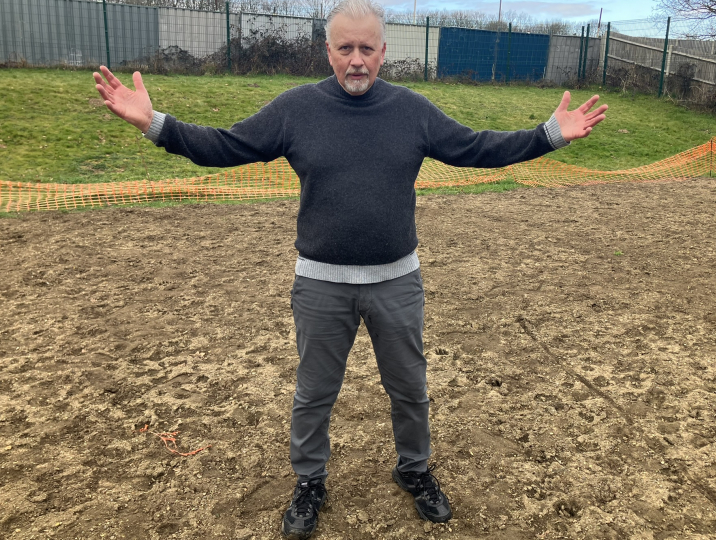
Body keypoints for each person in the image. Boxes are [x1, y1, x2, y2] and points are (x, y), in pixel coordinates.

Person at [94, 0, 607, 537]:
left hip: (396, 282)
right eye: (345, 48)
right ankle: (310, 480)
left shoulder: (412, 110)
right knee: (314, 393)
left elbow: (477, 147)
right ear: (328, 50)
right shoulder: (296, 109)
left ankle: (414, 470)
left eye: (367, 48)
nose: (356, 60)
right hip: (320, 284)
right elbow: (226, 145)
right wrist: (155, 124)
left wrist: (548, 135)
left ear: (384, 53)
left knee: (410, 388)